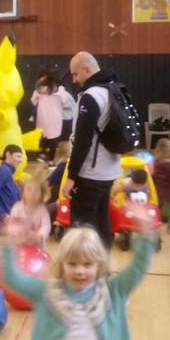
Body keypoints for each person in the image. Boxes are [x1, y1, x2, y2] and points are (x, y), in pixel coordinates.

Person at [0, 204, 156, 340]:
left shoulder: (112, 290)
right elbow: (13, 279)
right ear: (62, 265)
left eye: (87, 264)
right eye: (72, 264)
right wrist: (9, 245)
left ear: (99, 265)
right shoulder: (49, 292)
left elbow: (138, 269)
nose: (80, 271)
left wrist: (146, 234)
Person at [62, 52, 122, 249]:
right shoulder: (114, 89)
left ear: (87, 70)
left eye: (76, 74)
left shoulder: (91, 96)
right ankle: (102, 268)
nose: (74, 79)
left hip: (91, 173)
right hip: (109, 170)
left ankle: (83, 272)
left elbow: (82, 141)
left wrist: (71, 176)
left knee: (82, 228)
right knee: (102, 219)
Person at [31, 74, 75, 162]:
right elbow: (65, 101)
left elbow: (33, 101)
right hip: (56, 119)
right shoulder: (60, 92)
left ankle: (42, 154)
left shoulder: (38, 91)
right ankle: (51, 160)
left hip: (43, 118)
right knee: (53, 139)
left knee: (44, 136)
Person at [8, 175, 51, 248]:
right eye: (29, 189)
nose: (32, 193)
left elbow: (46, 226)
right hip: (19, 244)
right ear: (23, 193)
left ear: (42, 194)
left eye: (36, 190)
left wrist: (40, 235)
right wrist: (18, 233)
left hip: (38, 245)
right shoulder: (17, 208)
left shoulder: (43, 210)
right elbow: (12, 224)